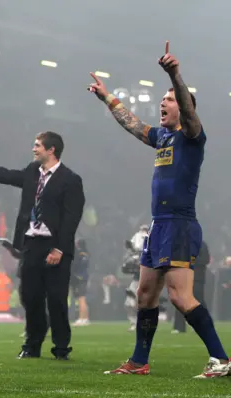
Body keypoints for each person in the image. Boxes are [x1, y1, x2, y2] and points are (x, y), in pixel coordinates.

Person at [90, 41, 230, 378]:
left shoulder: (193, 135)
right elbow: (132, 124)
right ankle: (139, 361)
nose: (161, 104)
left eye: (168, 100)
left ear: (183, 108)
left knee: (181, 298)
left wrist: (175, 75)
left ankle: (222, 359)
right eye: (162, 100)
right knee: (145, 293)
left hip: (180, 224)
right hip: (158, 225)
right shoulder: (163, 138)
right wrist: (107, 97)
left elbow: (188, 108)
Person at [0, 131, 85, 361]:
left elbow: (71, 218)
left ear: (51, 150)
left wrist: (59, 249)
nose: (33, 149)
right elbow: (5, 175)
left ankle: (61, 347)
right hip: (32, 244)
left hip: (54, 246)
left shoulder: (70, 180)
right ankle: (32, 345)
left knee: (56, 299)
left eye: (37, 146)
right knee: (30, 297)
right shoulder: (31, 172)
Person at [173, 241, 210, 333]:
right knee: (180, 300)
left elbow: (205, 260)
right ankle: (179, 327)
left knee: (198, 300)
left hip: (197, 277)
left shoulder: (201, 244)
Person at [71, 239, 90, 326]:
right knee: (83, 298)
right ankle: (85, 318)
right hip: (84, 277)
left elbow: (74, 265)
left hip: (78, 278)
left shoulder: (78, 253)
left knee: (81, 298)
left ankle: (82, 318)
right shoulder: (86, 253)